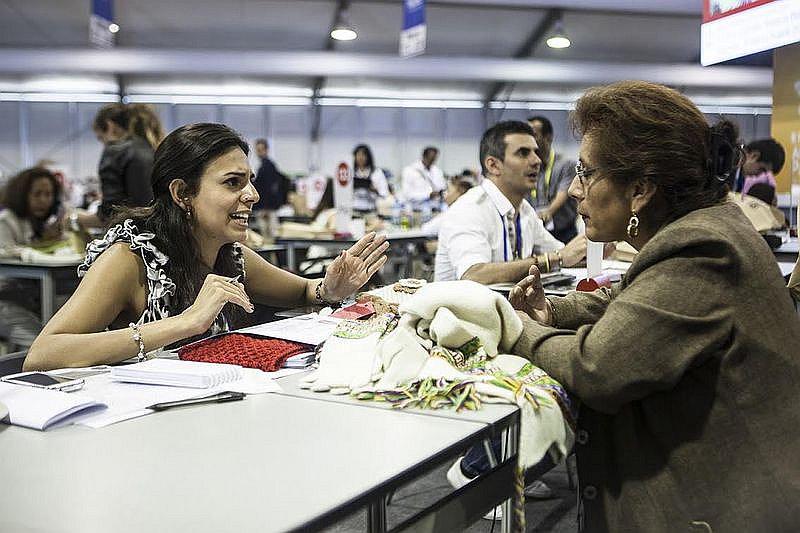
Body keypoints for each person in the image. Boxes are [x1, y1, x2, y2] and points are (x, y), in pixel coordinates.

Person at [509, 81, 800, 532]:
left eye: (586, 172)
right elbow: (635, 297)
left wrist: (515, 328)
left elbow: (596, 367)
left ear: (641, 189)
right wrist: (554, 313)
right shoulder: (705, 227)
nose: (577, 190)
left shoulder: (701, 247)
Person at [23, 123, 388, 371]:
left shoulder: (230, 255)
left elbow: (307, 292)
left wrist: (331, 289)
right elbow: (43, 354)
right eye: (233, 183)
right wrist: (185, 323)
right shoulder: (129, 259)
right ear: (182, 193)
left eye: (250, 181)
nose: (253, 195)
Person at [434, 120, 586, 283]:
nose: (537, 161)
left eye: (536, 152)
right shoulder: (468, 210)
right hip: (460, 308)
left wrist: (588, 249)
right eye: (523, 153)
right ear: (493, 165)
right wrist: (552, 259)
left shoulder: (524, 210)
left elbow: (564, 255)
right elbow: (474, 275)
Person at [0, 167, 63, 348]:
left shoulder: (45, 223)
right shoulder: (6, 220)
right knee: (43, 346)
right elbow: (7, 253)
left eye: (49, 194)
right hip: (6, 301)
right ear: (22, 194)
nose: (44, 200)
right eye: (37, 194)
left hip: (34, 299)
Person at [76, 103, 164, 228]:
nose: (104, 144)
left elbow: (109, 216)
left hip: (135, 238)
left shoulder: (116, 151)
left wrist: (74, 218)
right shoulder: (155, 149)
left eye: (101, 138)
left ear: (110, 125)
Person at [528, 115, 579, 243]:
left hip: (564, 232)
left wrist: (548, 212)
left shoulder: (565, 164)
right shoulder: (528, 167)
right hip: (538, 230)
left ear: (548, 137)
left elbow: (563, 194)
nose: (530, 140)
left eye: (534, 134)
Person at [252, 138, 289, 237]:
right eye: (257, 150)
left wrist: (266, 208)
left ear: (266, 150)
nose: (259, 153)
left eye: (261, 150)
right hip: (266, 206)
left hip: (267, 207)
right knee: (267, 235)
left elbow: (269, 188)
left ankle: (272, 253)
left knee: (270, 235)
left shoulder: (268, 166)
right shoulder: (264, 165)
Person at [352, 144, 390, 212]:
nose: (360, 158)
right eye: (358, 155)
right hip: (354, 209)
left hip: (371, 209)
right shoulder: (350, 172)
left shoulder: (377, 172)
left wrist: (374, 190)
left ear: (368, 157)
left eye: (363, 155)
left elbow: (385, 193)